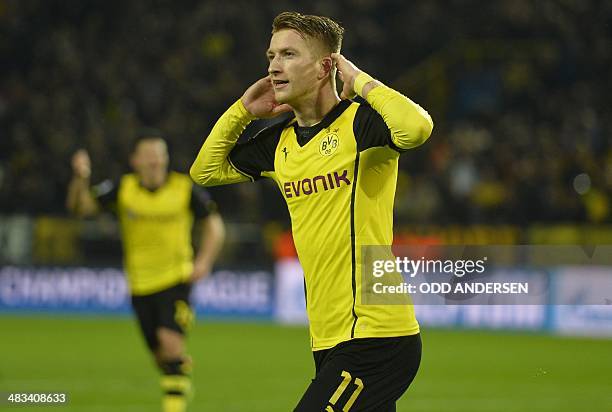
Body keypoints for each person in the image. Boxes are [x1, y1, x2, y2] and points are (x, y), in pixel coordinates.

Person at [190, 11, 433, 411]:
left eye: (288, 54)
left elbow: (417, 128)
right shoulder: (280, 142)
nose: (273, 65)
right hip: (328, 337)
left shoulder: (361, 125)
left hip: (377, 335)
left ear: (325, 67)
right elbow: (206, 171)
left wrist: (361, 82)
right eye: (271, 55)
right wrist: (242, 112)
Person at [67, 133, 225, 412]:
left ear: (165, 159)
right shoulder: (123, 189)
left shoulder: (184, 188)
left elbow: (214, 225)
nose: (154, 161)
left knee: (171, 344)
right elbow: (81, 208)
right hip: (140, 286)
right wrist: (81, 178)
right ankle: (178, 374)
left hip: (177, 279)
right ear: (135, 161)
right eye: (148, 155)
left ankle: (173, 403)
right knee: (161, 357)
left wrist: (204, 261)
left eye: (159, 155)